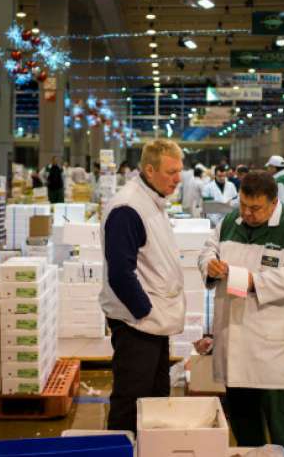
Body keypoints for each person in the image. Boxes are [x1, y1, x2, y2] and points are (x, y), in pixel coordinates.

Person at [198, 170, 284, 448]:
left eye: (256, 208)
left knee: (280, 420)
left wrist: (254, 282)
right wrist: (210, 265)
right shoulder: (229, 222)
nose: (248, 213)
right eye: (243, 205)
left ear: (274, 202)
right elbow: (206, 250)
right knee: (242, 417)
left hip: (272, 346)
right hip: (234, 339)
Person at [100, 138, 185, 433]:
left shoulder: (153, 201)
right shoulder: (128, 208)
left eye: (180, 171)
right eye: (171, 172)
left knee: (155, 397)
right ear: (149, 170)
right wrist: (144, 311)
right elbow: (120, 273)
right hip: (138, 324)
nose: (178, 178)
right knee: (131, 402)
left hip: (154, 323)